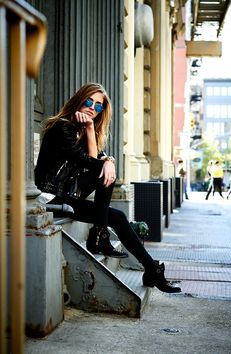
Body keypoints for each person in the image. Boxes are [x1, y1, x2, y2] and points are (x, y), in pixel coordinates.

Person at [35, 82, 181, 293]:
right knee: (109, 183)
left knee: (114, 202)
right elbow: (87, 162)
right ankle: (104, 238)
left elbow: (92, 162)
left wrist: (92, 134)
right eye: (88, 101)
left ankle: (145, 265)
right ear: (78, 100)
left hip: (66, 196)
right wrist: (107, 161)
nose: (92, 108)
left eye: (98, 106)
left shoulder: (80, 130)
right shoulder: (63, 127)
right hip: (50, 197)